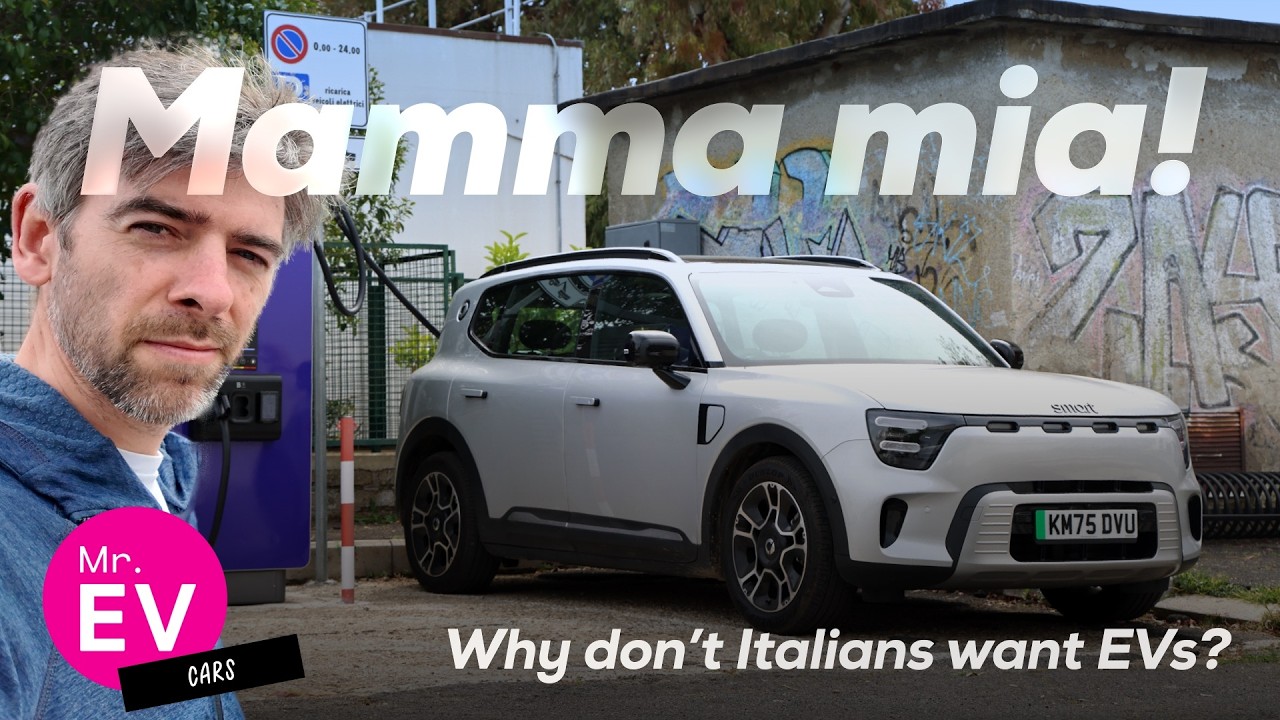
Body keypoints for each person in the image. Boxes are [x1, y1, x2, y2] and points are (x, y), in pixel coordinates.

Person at [0, 45, 329, 718]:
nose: (211, 293)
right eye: (156, 227)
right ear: (39, 238)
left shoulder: (154, 492)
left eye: (248, 254)